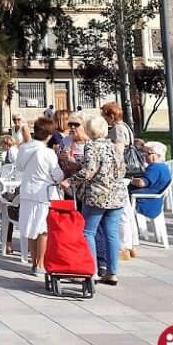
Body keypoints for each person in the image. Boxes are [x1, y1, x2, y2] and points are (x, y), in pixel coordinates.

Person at [61, 114, 126, 286]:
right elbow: (122, 170)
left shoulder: (92, 146)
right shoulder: (113, 147)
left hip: (98, 195)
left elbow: (89, 171)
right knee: (111, 233)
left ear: (89, 130)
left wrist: (69, 180)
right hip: (117, 195)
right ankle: (112, 272)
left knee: (88, 231)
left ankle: (92, 271)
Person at [17, 118, 64, 276]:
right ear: (49, 135)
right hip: (43, 193)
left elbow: (19, 167)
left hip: (27, 191)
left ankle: (34, 262)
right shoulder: (48, 153)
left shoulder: (23, 148)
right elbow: (57, 175)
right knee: (42, 229)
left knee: (30, 228)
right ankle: (40, 264)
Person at [120, 141, 171, 260]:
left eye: (146, 153)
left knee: (121, 212)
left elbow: (143, 183)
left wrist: (131, 179)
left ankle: (127, 245)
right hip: (152, 200)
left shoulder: (155, 167)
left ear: (156, 155)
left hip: (144, 202)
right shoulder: (163, 166)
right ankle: (130, 244)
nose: (144, 156)